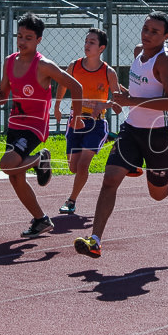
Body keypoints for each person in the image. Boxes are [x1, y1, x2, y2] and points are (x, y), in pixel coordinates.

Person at [74, 11, 168, 258]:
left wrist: (130, 100)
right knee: (109, 180)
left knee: (158, 194)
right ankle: (95, 240)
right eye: (146, 29)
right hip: (131, 130)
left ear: (166, 36)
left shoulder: (164, 61)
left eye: (155, 32)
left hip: (158, 135)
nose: (148, 35)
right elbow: (138, 87)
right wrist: (119, 95)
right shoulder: (138, 52)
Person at [0, 12, 83, 238]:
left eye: (28, 37)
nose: (22, 41)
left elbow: (76, 87)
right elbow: (4, 94)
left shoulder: (44, 65)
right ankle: (41, 220)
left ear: (39, 40)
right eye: (19, 36)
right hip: (15, 124)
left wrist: (75, 116)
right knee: (15, 176)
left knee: (7, 164)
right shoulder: (9, 61)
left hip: (35, 126)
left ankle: (39, 159)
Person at [53, 27, 122, 215]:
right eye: (86, 41)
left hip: (96, 123)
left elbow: (117, 99)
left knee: (83, 165)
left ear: (101, 48)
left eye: (92, 42)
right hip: (76, 120)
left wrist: (104, 105)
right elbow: (63, 85)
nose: (87, 45)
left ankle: (71, 200)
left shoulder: (109, 72)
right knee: (73, 167)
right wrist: (57, 106)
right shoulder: (73, 66)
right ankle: (108, 137)